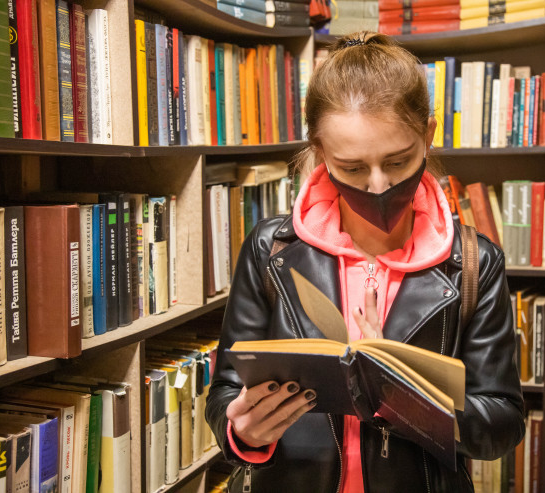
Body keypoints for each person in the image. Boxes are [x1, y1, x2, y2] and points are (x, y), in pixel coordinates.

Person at [205, 31, 525, 492]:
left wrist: (405, 399)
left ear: (428, 135)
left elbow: (503, 423)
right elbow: (225, 394)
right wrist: (243, 433)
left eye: (398, 161)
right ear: (320, 151)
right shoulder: (270, 249)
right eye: (352, 168)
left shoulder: (474, 264)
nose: (378, 185)